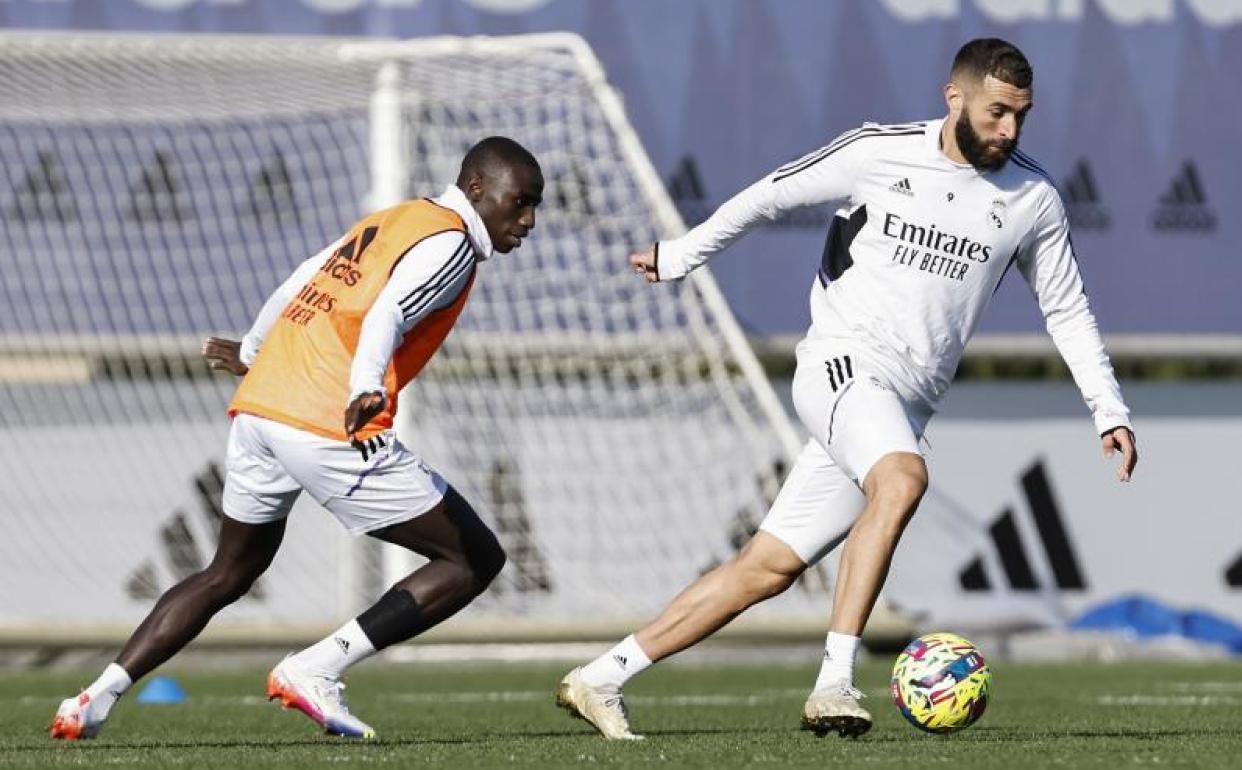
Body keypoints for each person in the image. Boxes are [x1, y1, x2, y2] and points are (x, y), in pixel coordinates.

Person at [557, 38, 1138, 741]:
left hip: (904, 401)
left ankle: (601, 677)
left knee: (765, 568)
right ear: (953, 97)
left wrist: (1108, 408)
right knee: (901, 480)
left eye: (1021, 116)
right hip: (840, 364)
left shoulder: (1033, 197)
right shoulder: (878, 150)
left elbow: (1066, 308)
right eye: (996, 113)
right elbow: (769, 195)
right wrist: (681, 255)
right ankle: (834, 681)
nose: (1009, 131)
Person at [50, 136, 545, 741]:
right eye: (519, 202)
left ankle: (92, 700)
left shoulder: (396, 218)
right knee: (473, 558)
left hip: (262, 409)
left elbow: (301, 280)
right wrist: (367, 388)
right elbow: (386, 313)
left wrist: (254, 351)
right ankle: (315, 669)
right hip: (326, 418)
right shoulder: (452, 245)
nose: (528, 220)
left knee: (227, 572)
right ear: (476, 190)